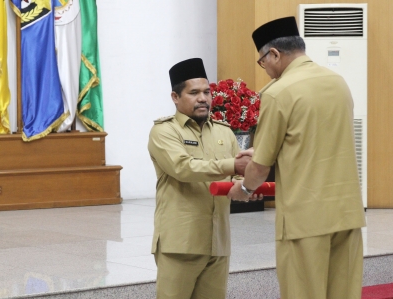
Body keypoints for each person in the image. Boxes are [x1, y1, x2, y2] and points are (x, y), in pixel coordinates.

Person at [227, 17, 367, 299]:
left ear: (275, 54)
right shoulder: (337, 82)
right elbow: (315, 139)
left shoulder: (279, 93)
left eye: (262, 61)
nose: (264, 68)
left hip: (305, 219)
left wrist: (242, 190)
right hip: (347, 214)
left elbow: (260, 167)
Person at [147, 58, 252, 299]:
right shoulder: (164, 131)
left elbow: (236, 175)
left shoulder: (224, 132)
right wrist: (234, 164)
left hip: (218, 242)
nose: (203, 98)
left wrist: (246, 187)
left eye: (207, 92)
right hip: (180, 243)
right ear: (175, 97)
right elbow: (183, 168)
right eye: (194, 93)